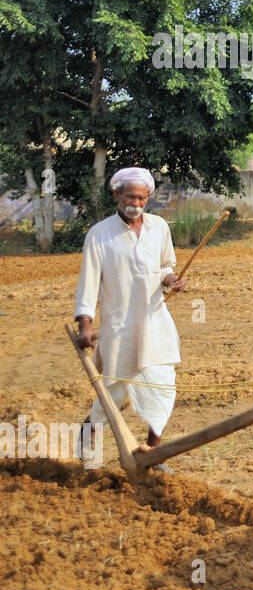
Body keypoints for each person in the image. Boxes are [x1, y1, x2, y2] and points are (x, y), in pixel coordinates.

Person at [75, 167, 186, 459]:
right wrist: (85, 324)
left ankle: (151, 453)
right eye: (130, 197)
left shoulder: (159, 227)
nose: (135, 204)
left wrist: (171, 280)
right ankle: (86, 455)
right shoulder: (99, 235)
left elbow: (165, 267)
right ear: (117, 195)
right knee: (110, 398)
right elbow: (88, 284)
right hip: (119, 329)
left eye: (142, 198)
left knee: (162, 390)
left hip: (156, 324)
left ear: (148, 198)